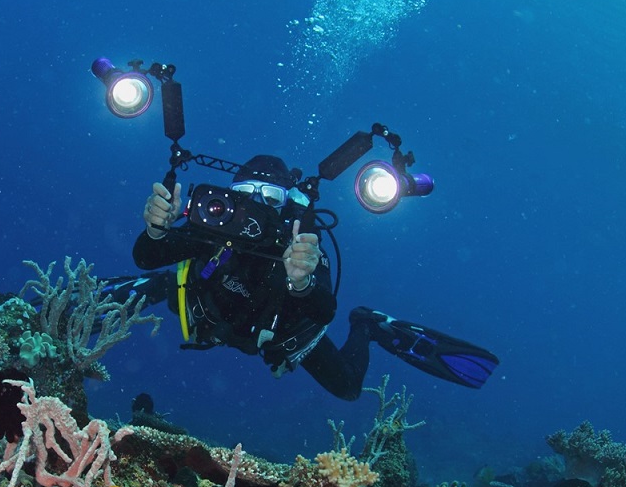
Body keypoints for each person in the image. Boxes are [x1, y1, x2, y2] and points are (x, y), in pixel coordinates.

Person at [111, 155, 498, 400]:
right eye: (245, 194)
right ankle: (157, 288)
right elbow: (147, 256)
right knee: (168, 280)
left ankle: (366, 325)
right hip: (208, 311)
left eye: (270, 198)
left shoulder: (299, 244)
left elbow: (324, 309)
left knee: (348, 388)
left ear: (286, 205)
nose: (255, 206)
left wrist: (300, 280)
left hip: (281, 333)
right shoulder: (214, 230)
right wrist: (157, 229)